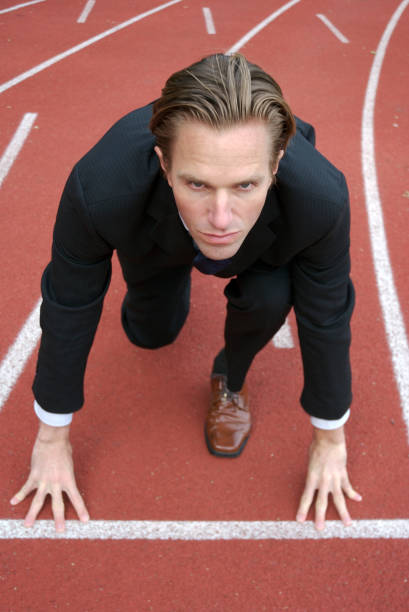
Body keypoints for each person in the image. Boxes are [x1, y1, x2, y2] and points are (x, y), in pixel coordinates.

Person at [10, 53, 362, 532]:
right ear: (164, 162)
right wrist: (52, 439)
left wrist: (330, 440)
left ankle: (228, 380)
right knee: (151, 333)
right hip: (155, 236)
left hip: (266, 248)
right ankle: (169, 281)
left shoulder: (320, 199)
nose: (220, 218)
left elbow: (327, 315)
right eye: (197, 183)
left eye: (244, 185)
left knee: (270, 298)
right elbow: (70, 303)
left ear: (277, 164)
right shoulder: (101, 190)